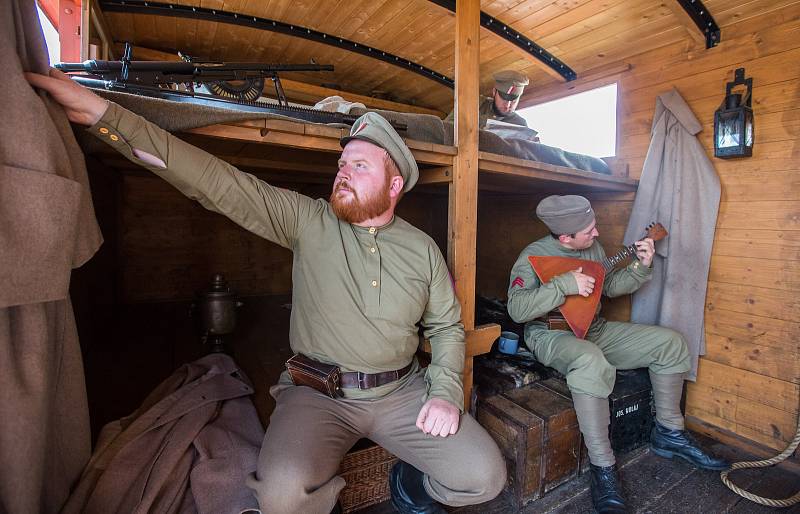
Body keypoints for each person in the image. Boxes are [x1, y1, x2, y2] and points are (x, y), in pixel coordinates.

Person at [26, 68, 507, 514]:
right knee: (282, 493)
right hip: (321, 393)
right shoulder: (310, 221)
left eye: (358, 166)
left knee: (485, 476)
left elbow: (445, 327)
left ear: (394, 184)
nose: (342, 172)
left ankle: (408, 483)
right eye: (341, 164)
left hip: (401, 392)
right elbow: (217, 183)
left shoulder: (421, 249)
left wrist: (443, 392)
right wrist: (103, 116)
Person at [507, 195, 728, 513]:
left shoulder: (593, 249)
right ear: (566, 237)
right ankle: (603, 469)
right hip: (551, 334)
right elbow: (517, 309)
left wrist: (642, 265)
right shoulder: (532, 257)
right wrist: (563, 285)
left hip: (593, 328)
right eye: (589, 230)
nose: (596, 234)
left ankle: (669, 433)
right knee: (589, 360)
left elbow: (608, 286)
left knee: (672, 343)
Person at [445, 69, 530, 128]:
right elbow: (447, 128)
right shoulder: (474, 104)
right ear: (494, 92)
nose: (508, 105)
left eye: (513, 101)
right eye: (504, 99)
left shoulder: (520, 125)